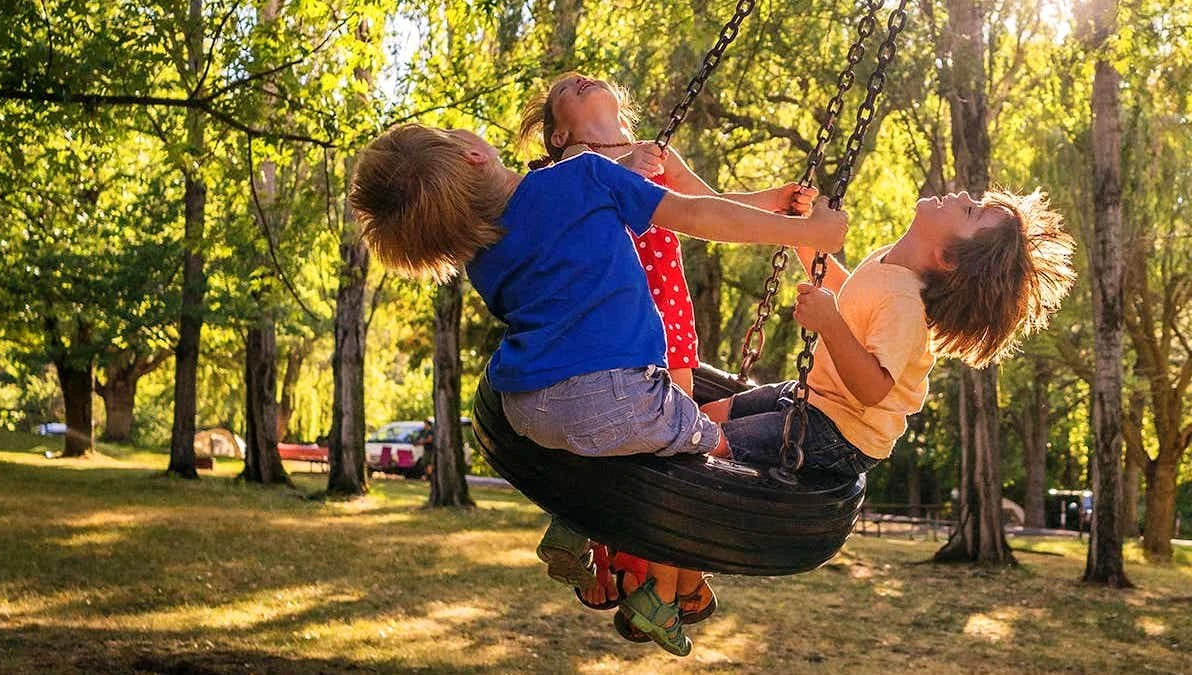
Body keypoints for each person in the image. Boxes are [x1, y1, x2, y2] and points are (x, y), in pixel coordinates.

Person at [348, 122, 848, 656]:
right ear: (474, 155)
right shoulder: (584, 175)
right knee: (714, 450)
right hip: (617, 393)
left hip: (525, 407)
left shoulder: (482, 256)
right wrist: (804, 233)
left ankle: (573, 523)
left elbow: (557, 238)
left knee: (603, 445)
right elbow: (698, 214)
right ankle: (656, 594)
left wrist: (623, 175)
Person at [517, 72, 810, 632]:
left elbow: (708, 207)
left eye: (585, 79)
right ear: (558, 133)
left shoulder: (656, 154)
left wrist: (777, 206)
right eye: (565, 90)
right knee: (610, 435)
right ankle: (593, 542)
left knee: (669, 454)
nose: (579, 79)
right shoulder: (566, 171)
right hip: (607, 330)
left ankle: (655, 581)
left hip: (669, 326)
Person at [700, 190, 1077, 485]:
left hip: (842, 432)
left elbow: (873, 388)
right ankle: (685, 583)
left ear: (947, 256)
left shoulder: (905, 306)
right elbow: (852, 296)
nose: (963, 197)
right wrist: (805, 237)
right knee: (706, 416)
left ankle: (676, 577)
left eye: (969, 212)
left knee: (706, 440)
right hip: (816, 398)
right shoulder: (891, 263)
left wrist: (830, 323)